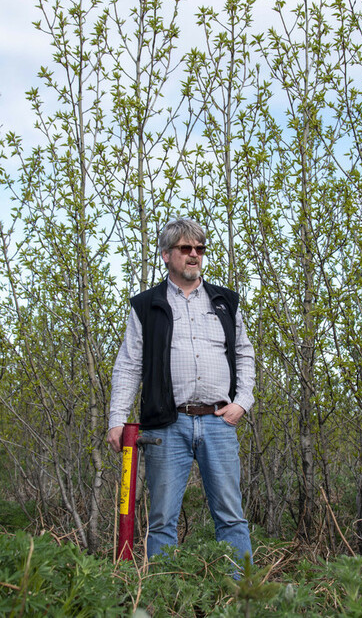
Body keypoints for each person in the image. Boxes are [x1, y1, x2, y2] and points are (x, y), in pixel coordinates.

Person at [107, 218, 255, 562]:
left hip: (220, 422)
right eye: (185, 248)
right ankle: (163, 600)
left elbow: (245, 353)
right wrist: (117, 418)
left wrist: (242, 403)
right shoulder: (146, 305)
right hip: (166, 426)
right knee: (161, 521)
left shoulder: (225, 302)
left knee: (231, 517)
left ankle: (244, 599)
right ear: (166, 254)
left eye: (199, 249)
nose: (194, 255)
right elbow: (128, 365)